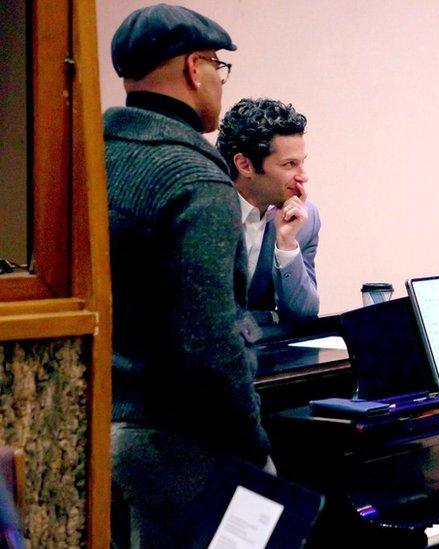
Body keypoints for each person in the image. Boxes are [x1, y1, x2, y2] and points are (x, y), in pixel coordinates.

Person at [103, 4, 271, 546]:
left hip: (97, 435)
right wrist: (253, 445)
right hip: (177, 446)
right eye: (218, 68)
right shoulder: (195, 177)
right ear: (195, 68)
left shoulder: (93, 156)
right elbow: (208, 341)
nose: (220, 83)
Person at [216, 98, 320, 323]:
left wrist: (287, 244)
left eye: (302, 162)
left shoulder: (304, 218)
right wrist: (267, 318)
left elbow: (304, 316)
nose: (303, 176)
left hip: (267, 354)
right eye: (289, 164)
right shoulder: (205, 213)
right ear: (245, 165)